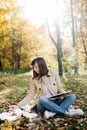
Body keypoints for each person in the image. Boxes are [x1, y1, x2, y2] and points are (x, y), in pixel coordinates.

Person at [9, 57, 76, 119]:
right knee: (42, 98)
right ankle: (64, 112)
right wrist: (18, 105)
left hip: (55, 102)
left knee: (72, 96)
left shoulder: (54, 73)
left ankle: (54, 113)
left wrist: (64, 93)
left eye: (36, 67)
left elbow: (60, 88)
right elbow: (30, 95)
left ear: (42, 66)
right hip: (42, 104)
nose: (34, 70)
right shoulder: (34, 79)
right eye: (33, 68)